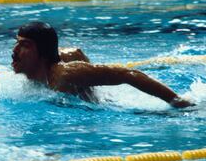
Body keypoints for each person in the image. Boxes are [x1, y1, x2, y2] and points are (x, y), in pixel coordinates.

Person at [11, 21, 194, 108]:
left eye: (24, 45)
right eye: (17, 43)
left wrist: (178, 102)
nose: (15, 50)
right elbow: (71, 52)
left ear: (42, 53)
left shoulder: (65, 75)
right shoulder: (36, 72)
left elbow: (128, 74)